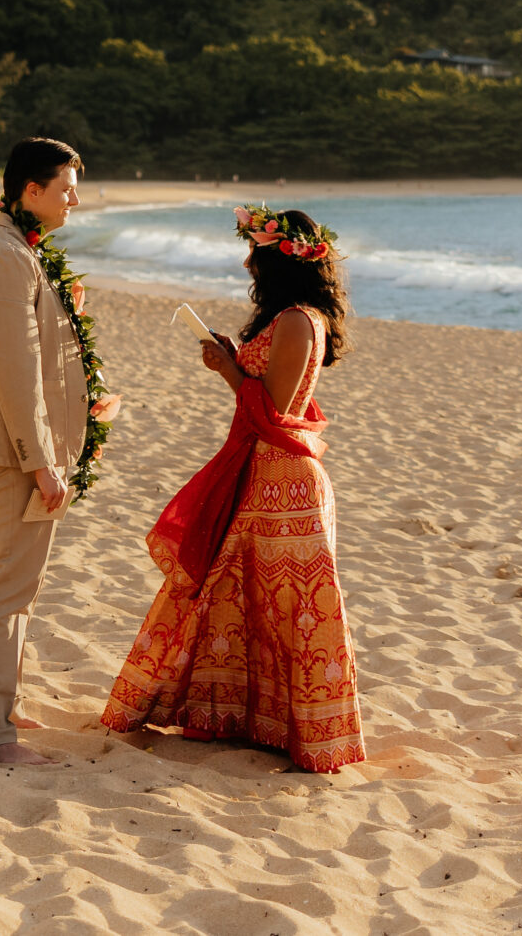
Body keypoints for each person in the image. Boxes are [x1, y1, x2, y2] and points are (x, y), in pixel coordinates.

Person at [99, 204, 365, 773]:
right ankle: (230, 714)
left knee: (280, 607)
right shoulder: (291, 318)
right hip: (262, 474)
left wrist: (227, 370)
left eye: (256, 252)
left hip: (283, 482)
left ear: (280, 260)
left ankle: (285, 728)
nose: (247, 261)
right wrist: (232, 363)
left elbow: (273, 412)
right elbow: (268, 400)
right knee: (236, 595)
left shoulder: (296, 320)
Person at [0, 137, 102, 765]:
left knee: (22, 584)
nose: (76, 198)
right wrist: (41, 463)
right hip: (16, 454)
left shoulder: (22, 250)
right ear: (31, 191)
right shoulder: (2, 258)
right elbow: (12, 375)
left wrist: (92, 400)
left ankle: (4, 708)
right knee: (6, 587)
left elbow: (42, 360)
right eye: (67, 187)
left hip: (34, 449)